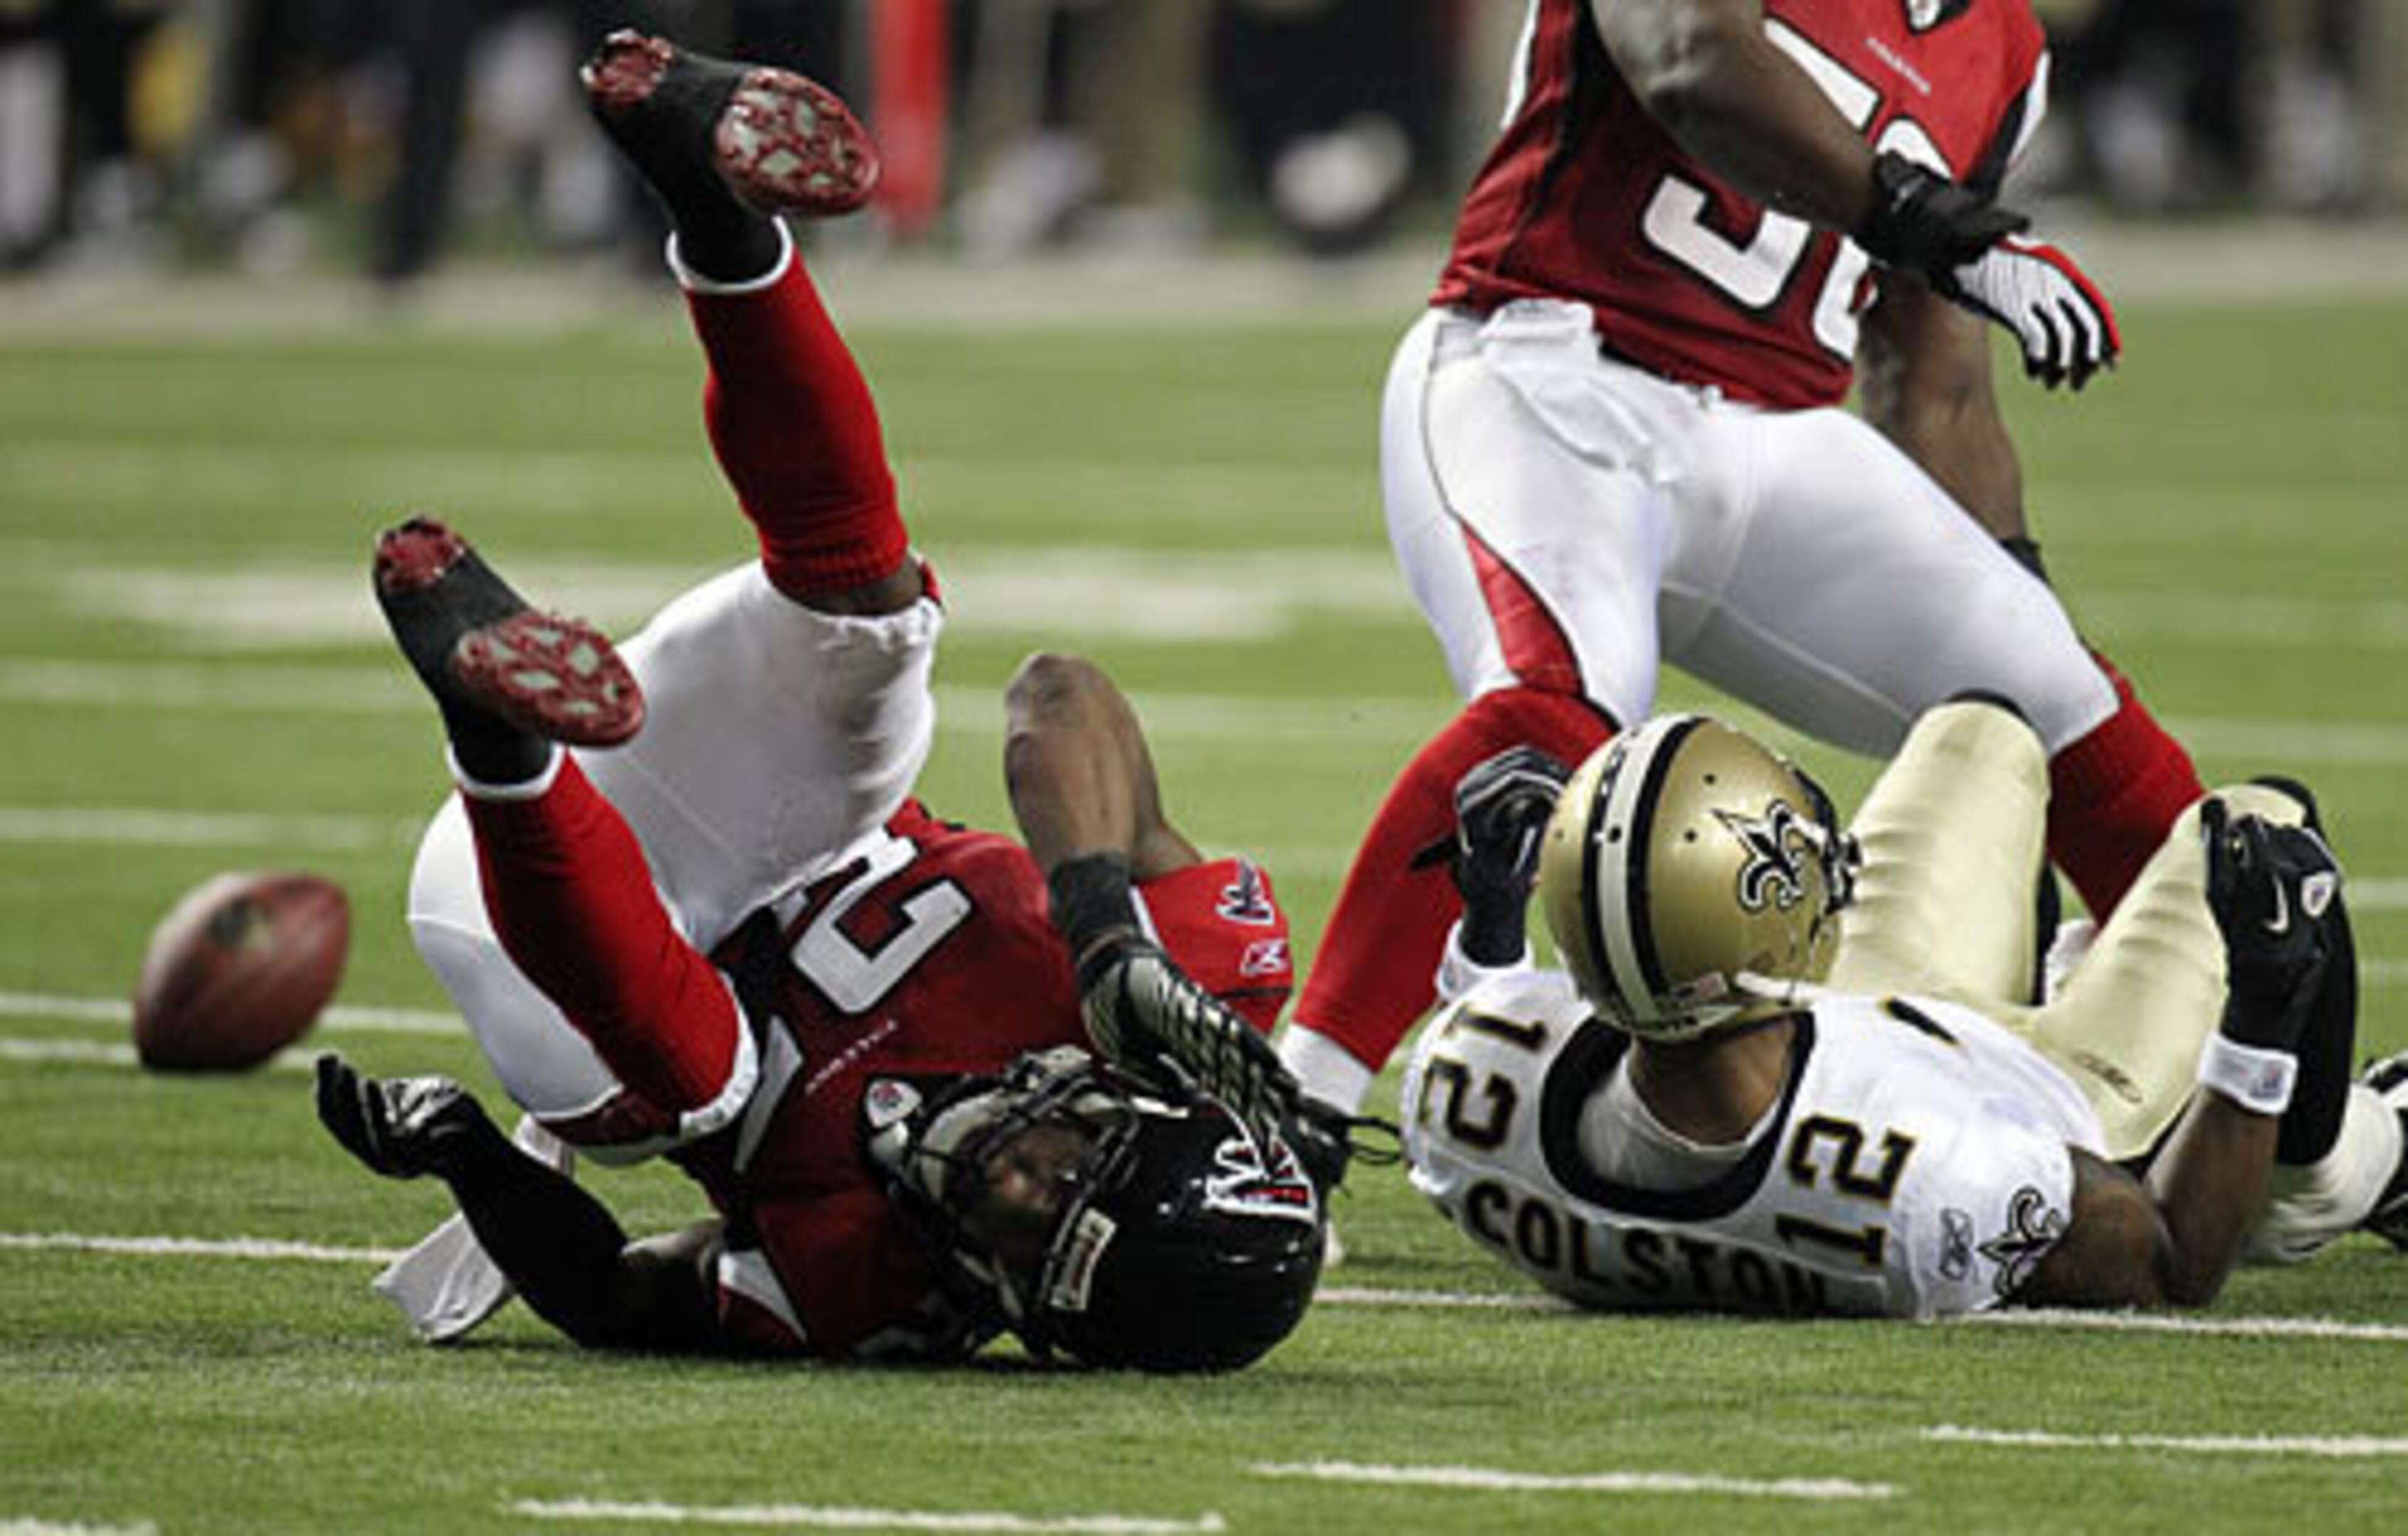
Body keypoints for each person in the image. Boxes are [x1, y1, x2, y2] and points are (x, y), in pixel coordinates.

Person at [314, 30, 1323, 1371]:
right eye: (1068, 1170)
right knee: (879, 635)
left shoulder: (867, 1281)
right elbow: (1058, 692)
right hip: (771, 811)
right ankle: (719, 215)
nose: (1014, 1192)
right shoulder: (1184, 1004)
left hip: (553, 920)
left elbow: (623, 1294)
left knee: (697, 1085)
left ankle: (492, 726)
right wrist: (1103, 933)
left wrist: (464, 1156)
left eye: (1031, 1249)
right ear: (1134, 1108)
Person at [1275, 0, 2209, 1142]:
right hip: (1549, 364)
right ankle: (1296, 1106)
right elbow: (1689, 59)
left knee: (2060, 707)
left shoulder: (2005, 50)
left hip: (1773, 432)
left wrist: (2015, 623)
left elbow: (1934, 377)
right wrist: (1929, 218)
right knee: (1563, 702)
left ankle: (2248, 1078)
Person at [1400, 702, 2408, 1315]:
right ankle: (2346, 1165)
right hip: (2060, 1095)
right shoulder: (1931, 1181)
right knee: (2266, 823)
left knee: (1979, 731)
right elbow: (2173, 1256)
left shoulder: (1467, 1092)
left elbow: (1501, 1005)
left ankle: (2061, 957)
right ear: (1765, 919)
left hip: (1840, 1017)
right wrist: (2265, 1006)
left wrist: (1491, 919)